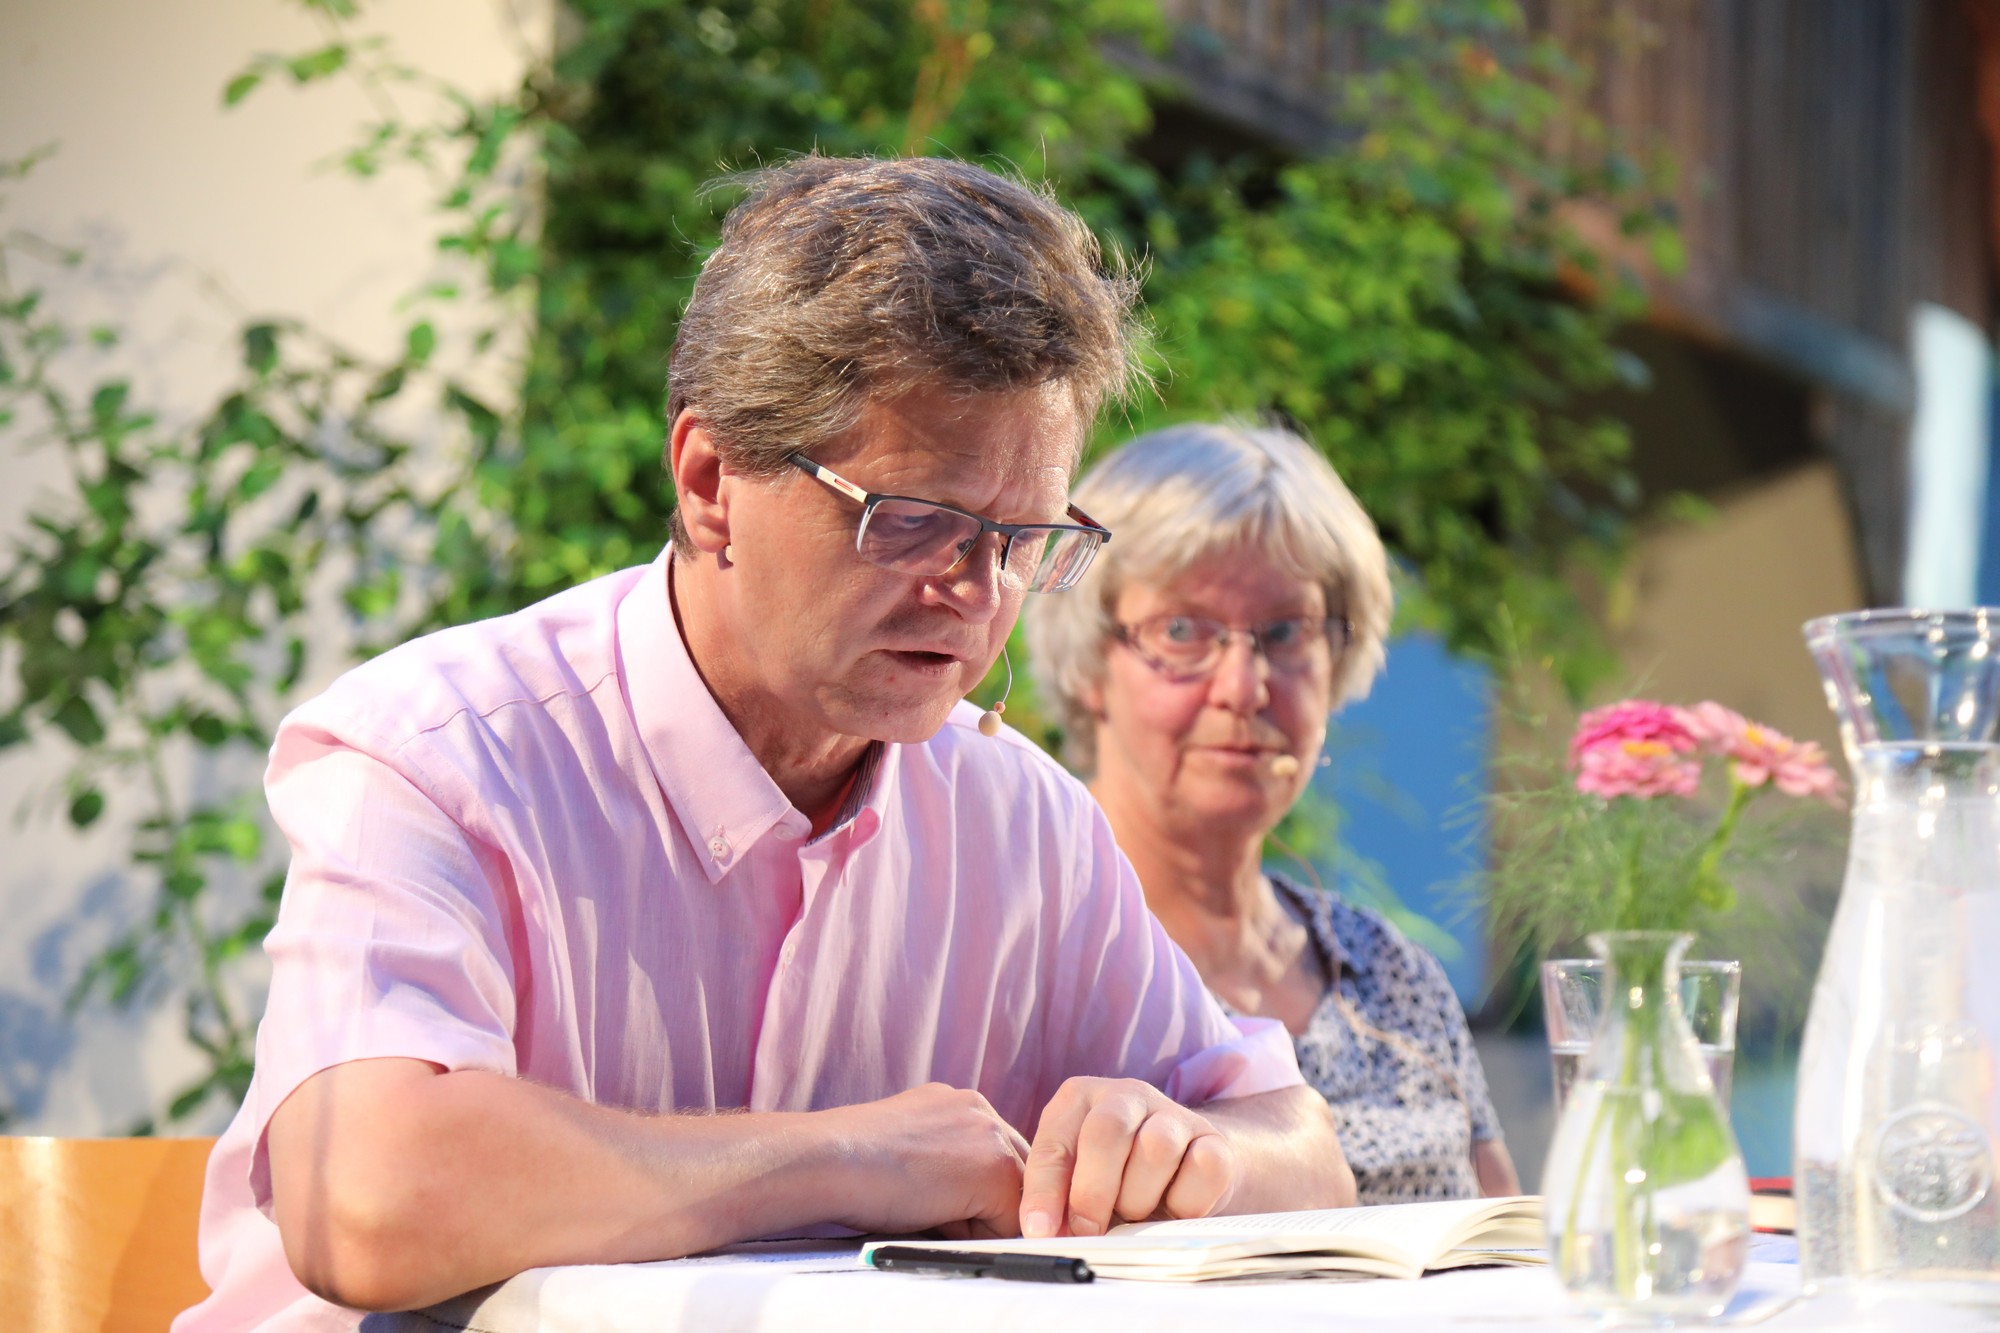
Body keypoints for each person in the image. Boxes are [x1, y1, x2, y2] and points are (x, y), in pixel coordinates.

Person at [175, 159, 1354, 1332]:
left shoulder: (1021, 817)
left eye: (1020, 538)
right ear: (708, 481)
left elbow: (1301, 1150)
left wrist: (1185, 1149)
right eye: (915, 520)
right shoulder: (436, 753)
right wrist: (853, 1159)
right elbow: (367, 1201)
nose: (975, 593)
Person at [1024, 421, 1520, 1205]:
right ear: (1089, 661)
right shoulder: (1021, 953)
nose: (1244, 686)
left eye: (1286, 632)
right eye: (1182, 631)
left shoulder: (1388, 974)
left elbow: (1511, 1241)